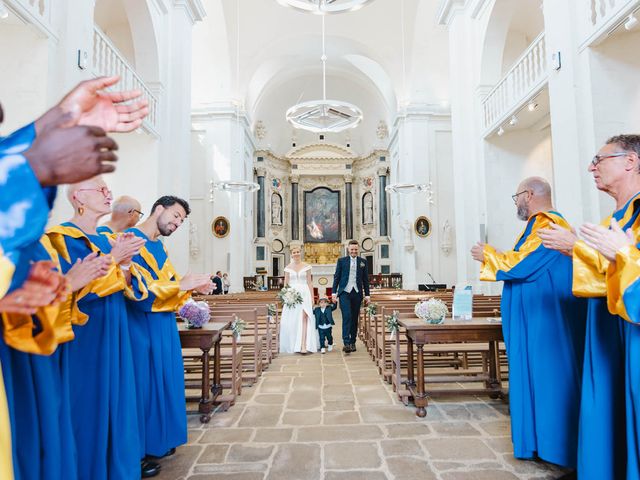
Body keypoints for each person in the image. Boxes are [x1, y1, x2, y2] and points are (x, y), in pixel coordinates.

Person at [538, 135, 640, 479]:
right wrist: (577, 248)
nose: (590, 167)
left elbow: (627, 263)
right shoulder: (621, 214)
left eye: (599, 159)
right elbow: (610, 270)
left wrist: (577, 247)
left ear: (631, 161)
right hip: (612, 327)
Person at [470, 176, 587, 471]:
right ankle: (537, 441)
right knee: (537, 375)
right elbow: (526, 259)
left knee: (549, 376)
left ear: (530, 194)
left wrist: (490, 256)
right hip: (536, 315)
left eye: (517, 196)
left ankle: (556, 446)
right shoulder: (538, 225)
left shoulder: (548, 223)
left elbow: (525, 264)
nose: (516, 203)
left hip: (546, 319)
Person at [47, 176, 152, 480]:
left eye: (109, 189)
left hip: (116, 326)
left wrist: (127, 266)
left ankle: (120, 468)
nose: (109, 194)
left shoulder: (110, 239)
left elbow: (130, 289)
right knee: (87, 403)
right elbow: (68, 289)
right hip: (84, 334)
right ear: (78, 197)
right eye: (101, 190)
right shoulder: (57, 240)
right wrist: (115, 261)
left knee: (119, 400)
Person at [124, 196, 213, 464]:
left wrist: (191, 288)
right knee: (144, 386)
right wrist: (182, 286)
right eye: (175, 216)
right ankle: (139, 451)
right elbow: (136, 290)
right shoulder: (129, 240)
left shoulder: (158, 247)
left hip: (163, 322)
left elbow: (171, 283)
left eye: (181, 221)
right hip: (141, 323)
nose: (177, 223)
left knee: (164, 380)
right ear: (158, 209)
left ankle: (159, 440)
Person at [332, 240, 370, 353]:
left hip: (357, 293)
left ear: (358, 250)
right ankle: (346, 343)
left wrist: (367, 295)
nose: (354, 251)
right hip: (344, 293)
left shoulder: (363, 262)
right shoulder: (342, 261)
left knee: (354, 318)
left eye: (356, 249)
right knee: (347, 316)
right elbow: (336, 277)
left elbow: (365, 280)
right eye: (352, 249)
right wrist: (334, 293)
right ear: (348, 249)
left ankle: (353, 342)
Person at [279, 244, 318, 354]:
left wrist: (312, 297)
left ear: (300, 253)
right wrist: (285, 296)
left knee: (304, 317)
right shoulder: (287, 268)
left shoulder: (307, 266)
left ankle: (303, 345)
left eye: (298, 252)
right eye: (294, 252)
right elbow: (286, 284)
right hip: (292, 294)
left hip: (304, 293)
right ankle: (293, 343)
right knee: (293, 319)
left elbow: (310, 282)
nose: (296, 254)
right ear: (291, 254)